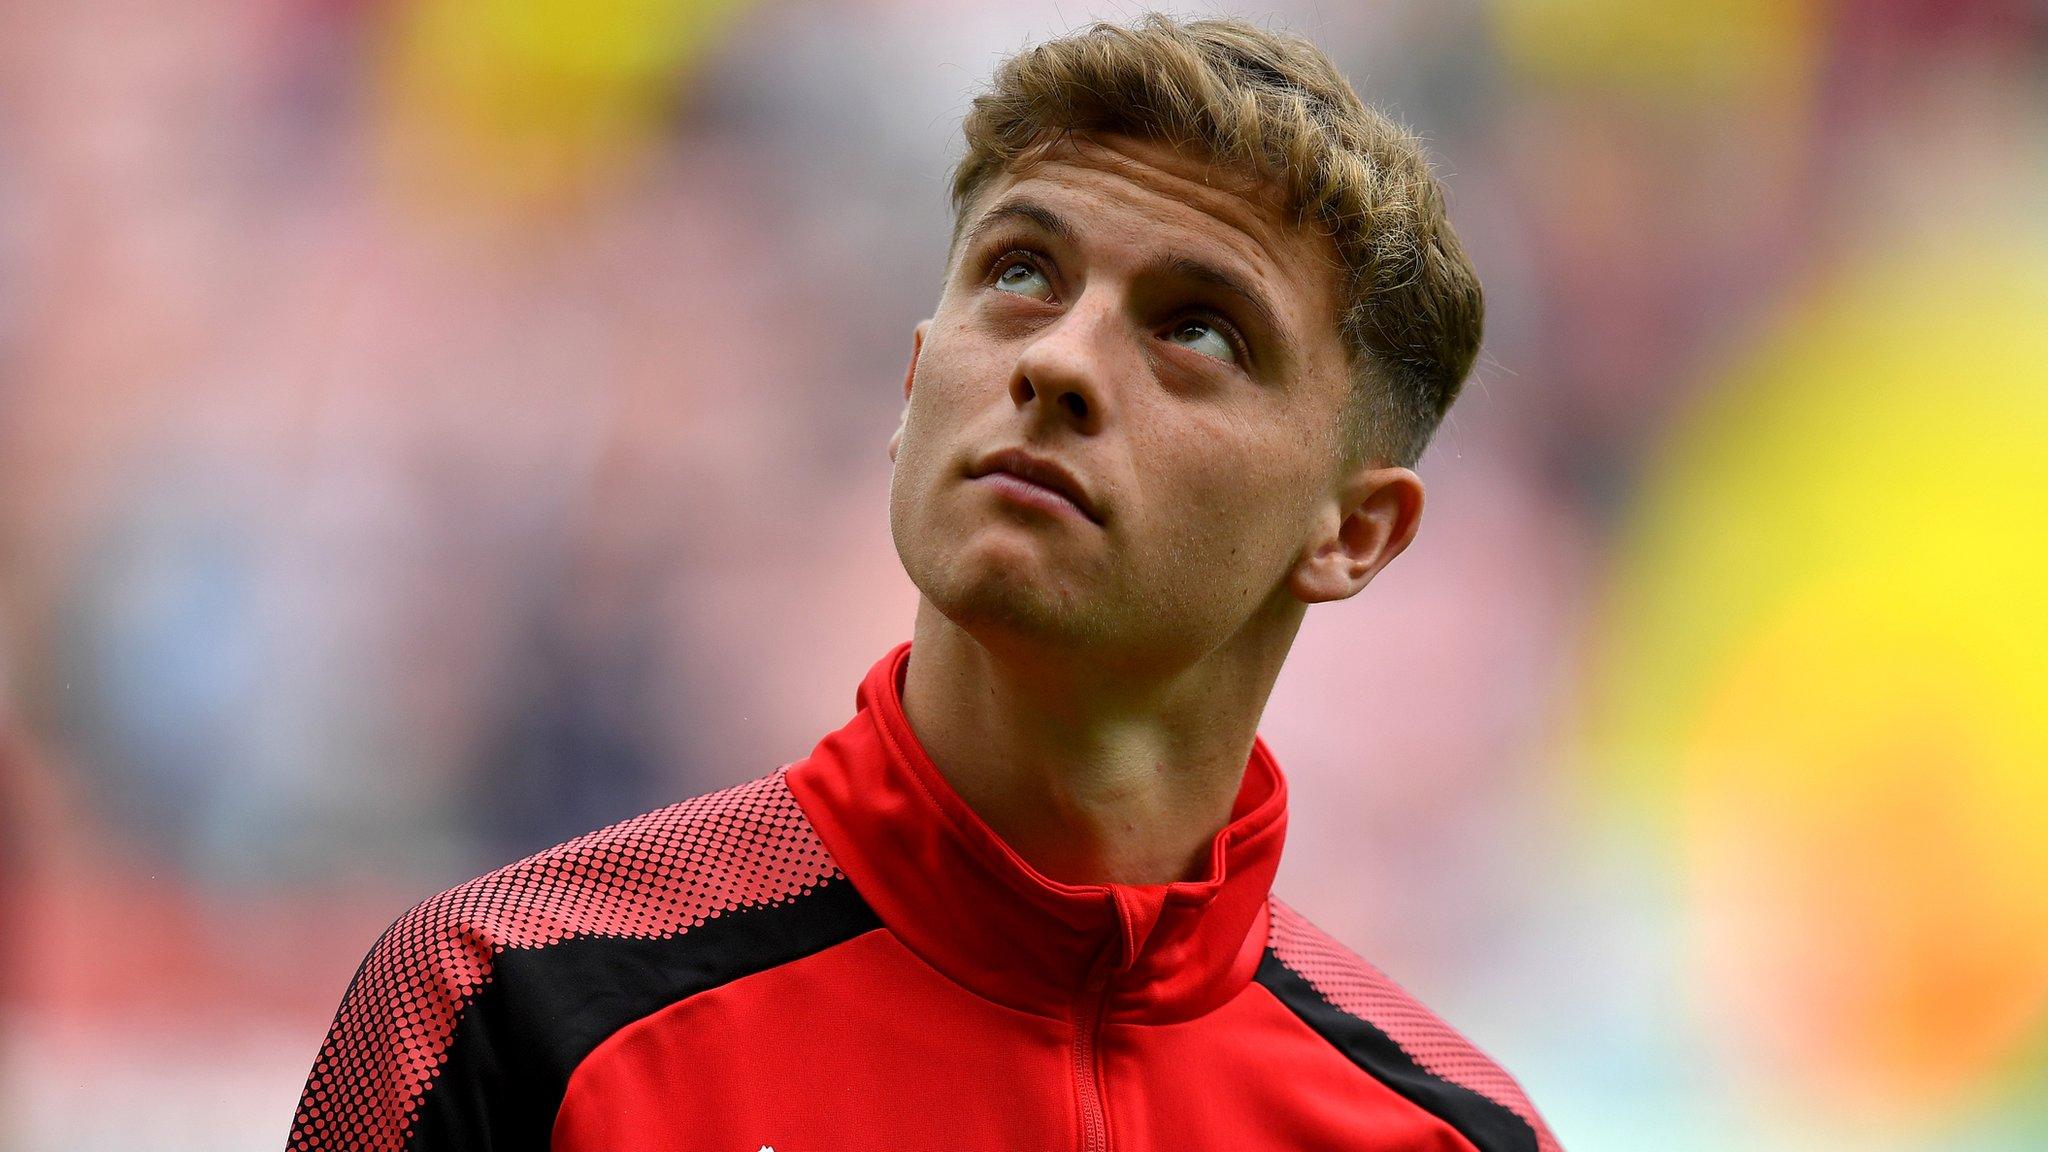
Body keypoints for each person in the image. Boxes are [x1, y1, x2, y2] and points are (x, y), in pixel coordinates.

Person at [288, 14, 1561, 1151]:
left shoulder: (1452, 1135)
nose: (1057, 360)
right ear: (913, 382)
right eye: (1019, 273)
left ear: (1353, 533)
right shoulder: (514, 1013)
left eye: (1195, 328)